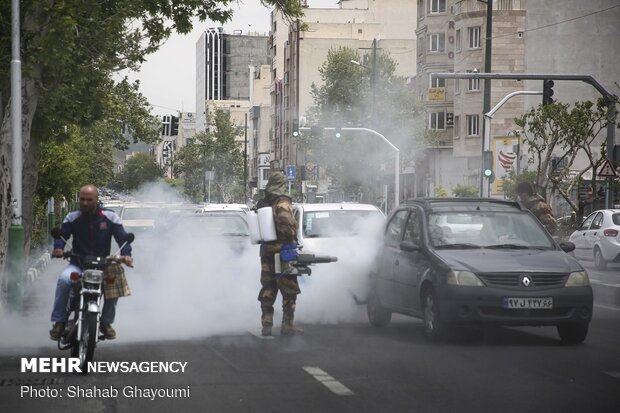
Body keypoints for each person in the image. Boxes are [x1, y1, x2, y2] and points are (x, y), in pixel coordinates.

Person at [49, 185, 133, 341]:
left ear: (96, 200)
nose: (85, 203)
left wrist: (126, 255)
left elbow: (123, 238)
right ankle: (59, 322)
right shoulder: (72, 217)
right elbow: (61, 235)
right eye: (82, 199)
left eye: (89, 199)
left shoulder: (110, 217)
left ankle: (106, 323)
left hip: (104, 265)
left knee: (113, 284)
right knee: (64, 280)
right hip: (78, 264)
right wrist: (58, 249)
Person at [256, 171, 303, 336]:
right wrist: (290, 238)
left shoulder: (265, 202)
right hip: (283, 252)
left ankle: (266, 324)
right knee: (289, 288)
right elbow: (285, 223)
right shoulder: (282, 202)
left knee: (269, 287)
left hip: (267, 251)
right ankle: (287, 325)